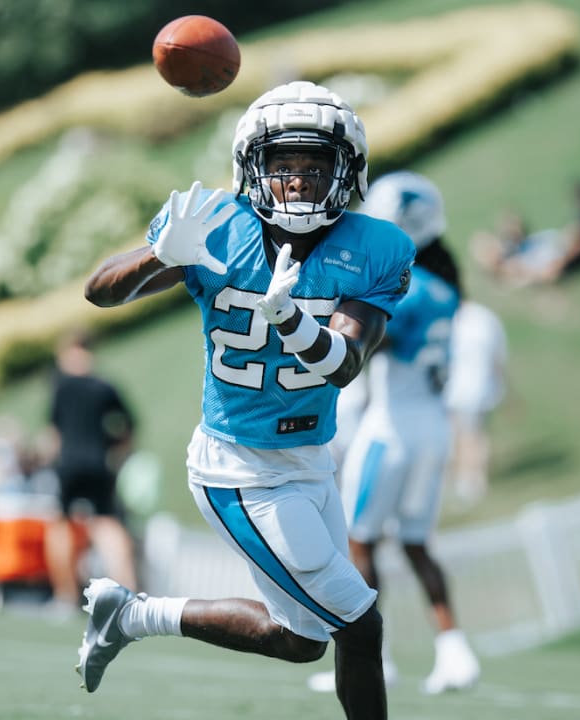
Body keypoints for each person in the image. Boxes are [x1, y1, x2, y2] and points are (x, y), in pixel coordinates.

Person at [76, 80, 414, 720]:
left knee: (301, 641)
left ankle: (133, 613)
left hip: (311, 459)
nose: (298, 183)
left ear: (347, 171)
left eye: (315, 167)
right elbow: (98, 292)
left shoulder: (377, 248)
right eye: (283, 167)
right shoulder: (218, 230)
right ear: (252, 170)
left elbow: (343, 366)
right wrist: (158, 256)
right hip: (239, 469)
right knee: (360, 623)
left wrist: (291, 321)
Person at [305, 171, 479, 696]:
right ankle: (455, 651)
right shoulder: (446, 288)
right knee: (416, 543)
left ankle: (371, 656)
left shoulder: (406, 286)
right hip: (433, 426)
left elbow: (360, 344)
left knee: (359, 540)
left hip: (392, 428)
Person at [43, 329, 139, 611]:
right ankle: (129, 593)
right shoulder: (104, 385)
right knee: (108, 525)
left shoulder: (61, 385)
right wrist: (118, 456)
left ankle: (65, 596)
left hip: (69, 463)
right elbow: (128, 427)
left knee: (60, 526)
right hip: (99, 463)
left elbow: (55, 433)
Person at [443, 298, 508, 506]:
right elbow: (499, 354)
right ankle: (467, 478)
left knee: (470, 435)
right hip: (471, 388)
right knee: (469, 434)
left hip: (463, 388)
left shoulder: (456, 319)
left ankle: (472, 481)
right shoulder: (483, 317)